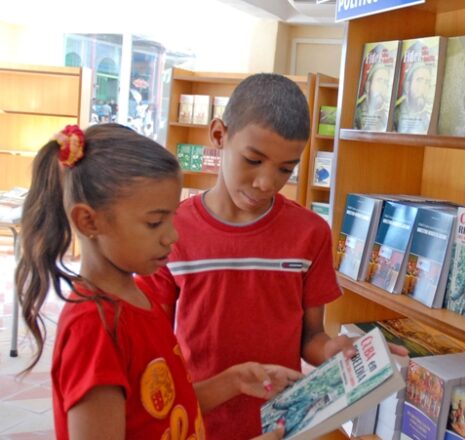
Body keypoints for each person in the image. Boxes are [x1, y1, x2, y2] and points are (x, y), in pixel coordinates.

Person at [142, 74, 404, 439]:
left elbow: (310, 338)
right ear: (219, 135)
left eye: (285, 169)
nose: (266, 183)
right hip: (198, 421)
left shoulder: (309, 233)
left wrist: (336, 351)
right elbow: (151, 346)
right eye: (253, 160)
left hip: (282, 426)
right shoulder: (171, 233)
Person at [16, 124, 301, 439]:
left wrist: (233, 381)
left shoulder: (139, 297)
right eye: (154, 223)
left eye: (171, 218)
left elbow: (163, 410)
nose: (172, 236)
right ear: (89, 220)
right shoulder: (94, 329)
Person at [394, 60, 435, 133]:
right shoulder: (395, 115)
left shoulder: (427, 118)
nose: (423, 87)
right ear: (407, 86)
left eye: (427, 82)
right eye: (419, 80)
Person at [354, 62, 392, 131]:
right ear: (368, 86)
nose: (382, 87)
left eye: (386, 83)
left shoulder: (387, 117)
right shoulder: (356, 113)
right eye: (379, 80)